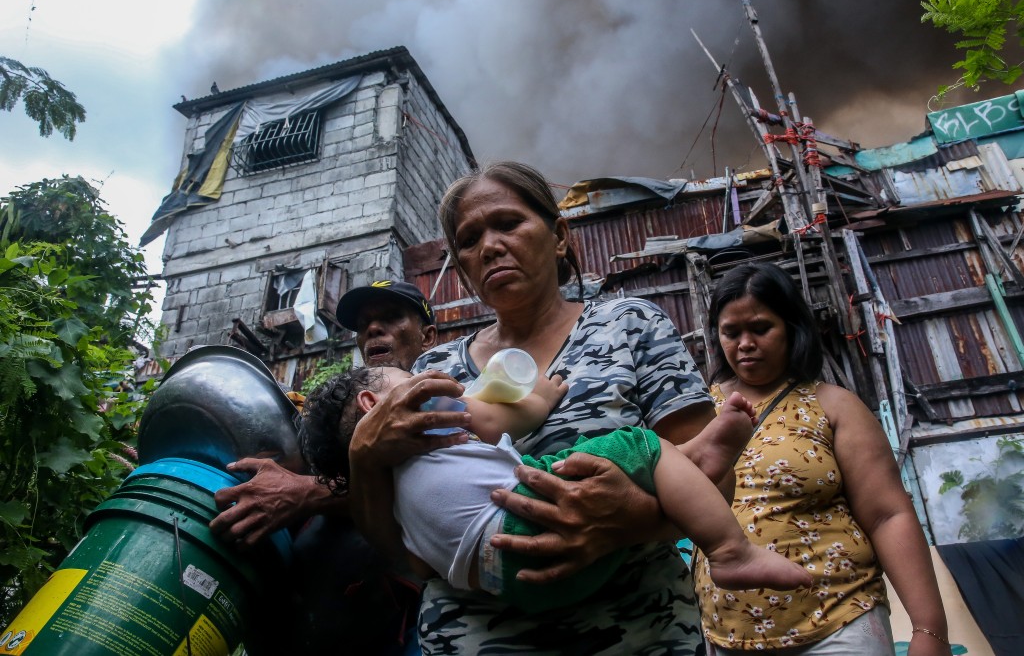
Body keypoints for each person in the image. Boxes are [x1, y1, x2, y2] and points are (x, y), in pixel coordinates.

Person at [347, 161, 752, 655]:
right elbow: (407, 550)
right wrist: (362, 458)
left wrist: (629, 519)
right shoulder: (432, 373)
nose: (490, 246)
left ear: (559, 236)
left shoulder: (628, 326)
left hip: (639, 635)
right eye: (469, 239)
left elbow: (715, 477)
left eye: (509, 223)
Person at [302, 365, 811, 613]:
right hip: (523, 521)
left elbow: (409, 556)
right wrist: (543, 393)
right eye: (405, 375)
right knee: (636, 446)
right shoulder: (432, 414)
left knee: (603, 466)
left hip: (519, 586)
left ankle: (691, 461)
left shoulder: (389, 498)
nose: (421, 376)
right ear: (375, 403)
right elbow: (510, 413)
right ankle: (730, 549)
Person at [693, 263, 952, 656]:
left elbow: (887, 515)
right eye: (731, 332)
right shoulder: (697, 411)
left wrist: (929, 630)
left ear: (792, 327)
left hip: (838, 621)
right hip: (726, 635)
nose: (745, 343)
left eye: (761, 329)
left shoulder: (833, 406)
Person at [207, 279, 440, 655]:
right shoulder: (340, 407)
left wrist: (308, 491)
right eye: (363, 324)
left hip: (391, 619)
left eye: (392, 317)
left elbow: (431, 488)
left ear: (427, 336)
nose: (373, 329)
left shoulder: (448, 401)